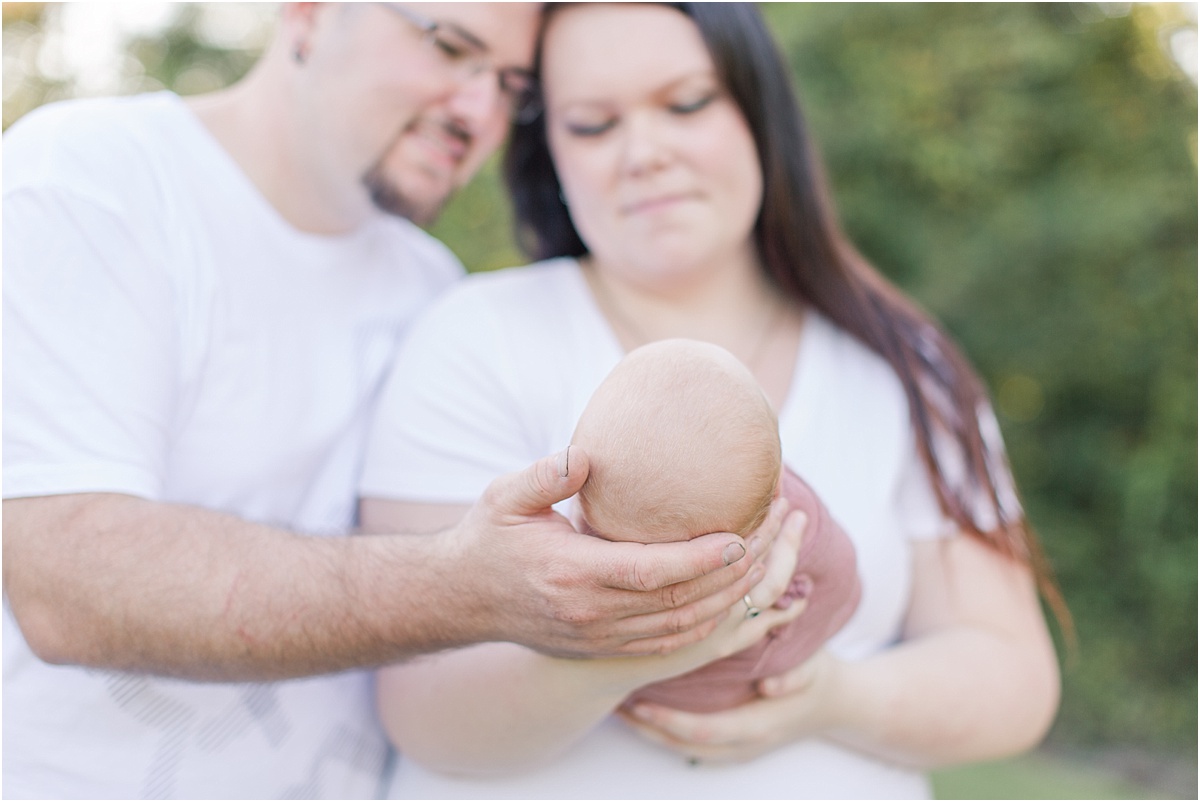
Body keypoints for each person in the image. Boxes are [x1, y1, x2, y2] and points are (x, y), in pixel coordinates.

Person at [1, 4, 795, 798]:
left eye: (511, 86)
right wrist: (464, 586)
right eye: (450, 47)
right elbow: (66, 578)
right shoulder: (90, 177)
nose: (479, 113)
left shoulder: (429, 285)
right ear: (309, 13)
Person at [358, 2, 1063, 798]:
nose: (645, 153)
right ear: (549, 152)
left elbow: (1013, 676)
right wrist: (629, 652)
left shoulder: (902, 366)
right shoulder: (475, 338)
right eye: (593, 125)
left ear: (759, 112)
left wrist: (827, 697)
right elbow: (419, 709)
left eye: (688, 104)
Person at [570, 337, 863, 714]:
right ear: (775, 490)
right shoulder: (796, 516)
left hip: (644, 695)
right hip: (759, 683)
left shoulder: (592, 534)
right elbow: (843, 577)